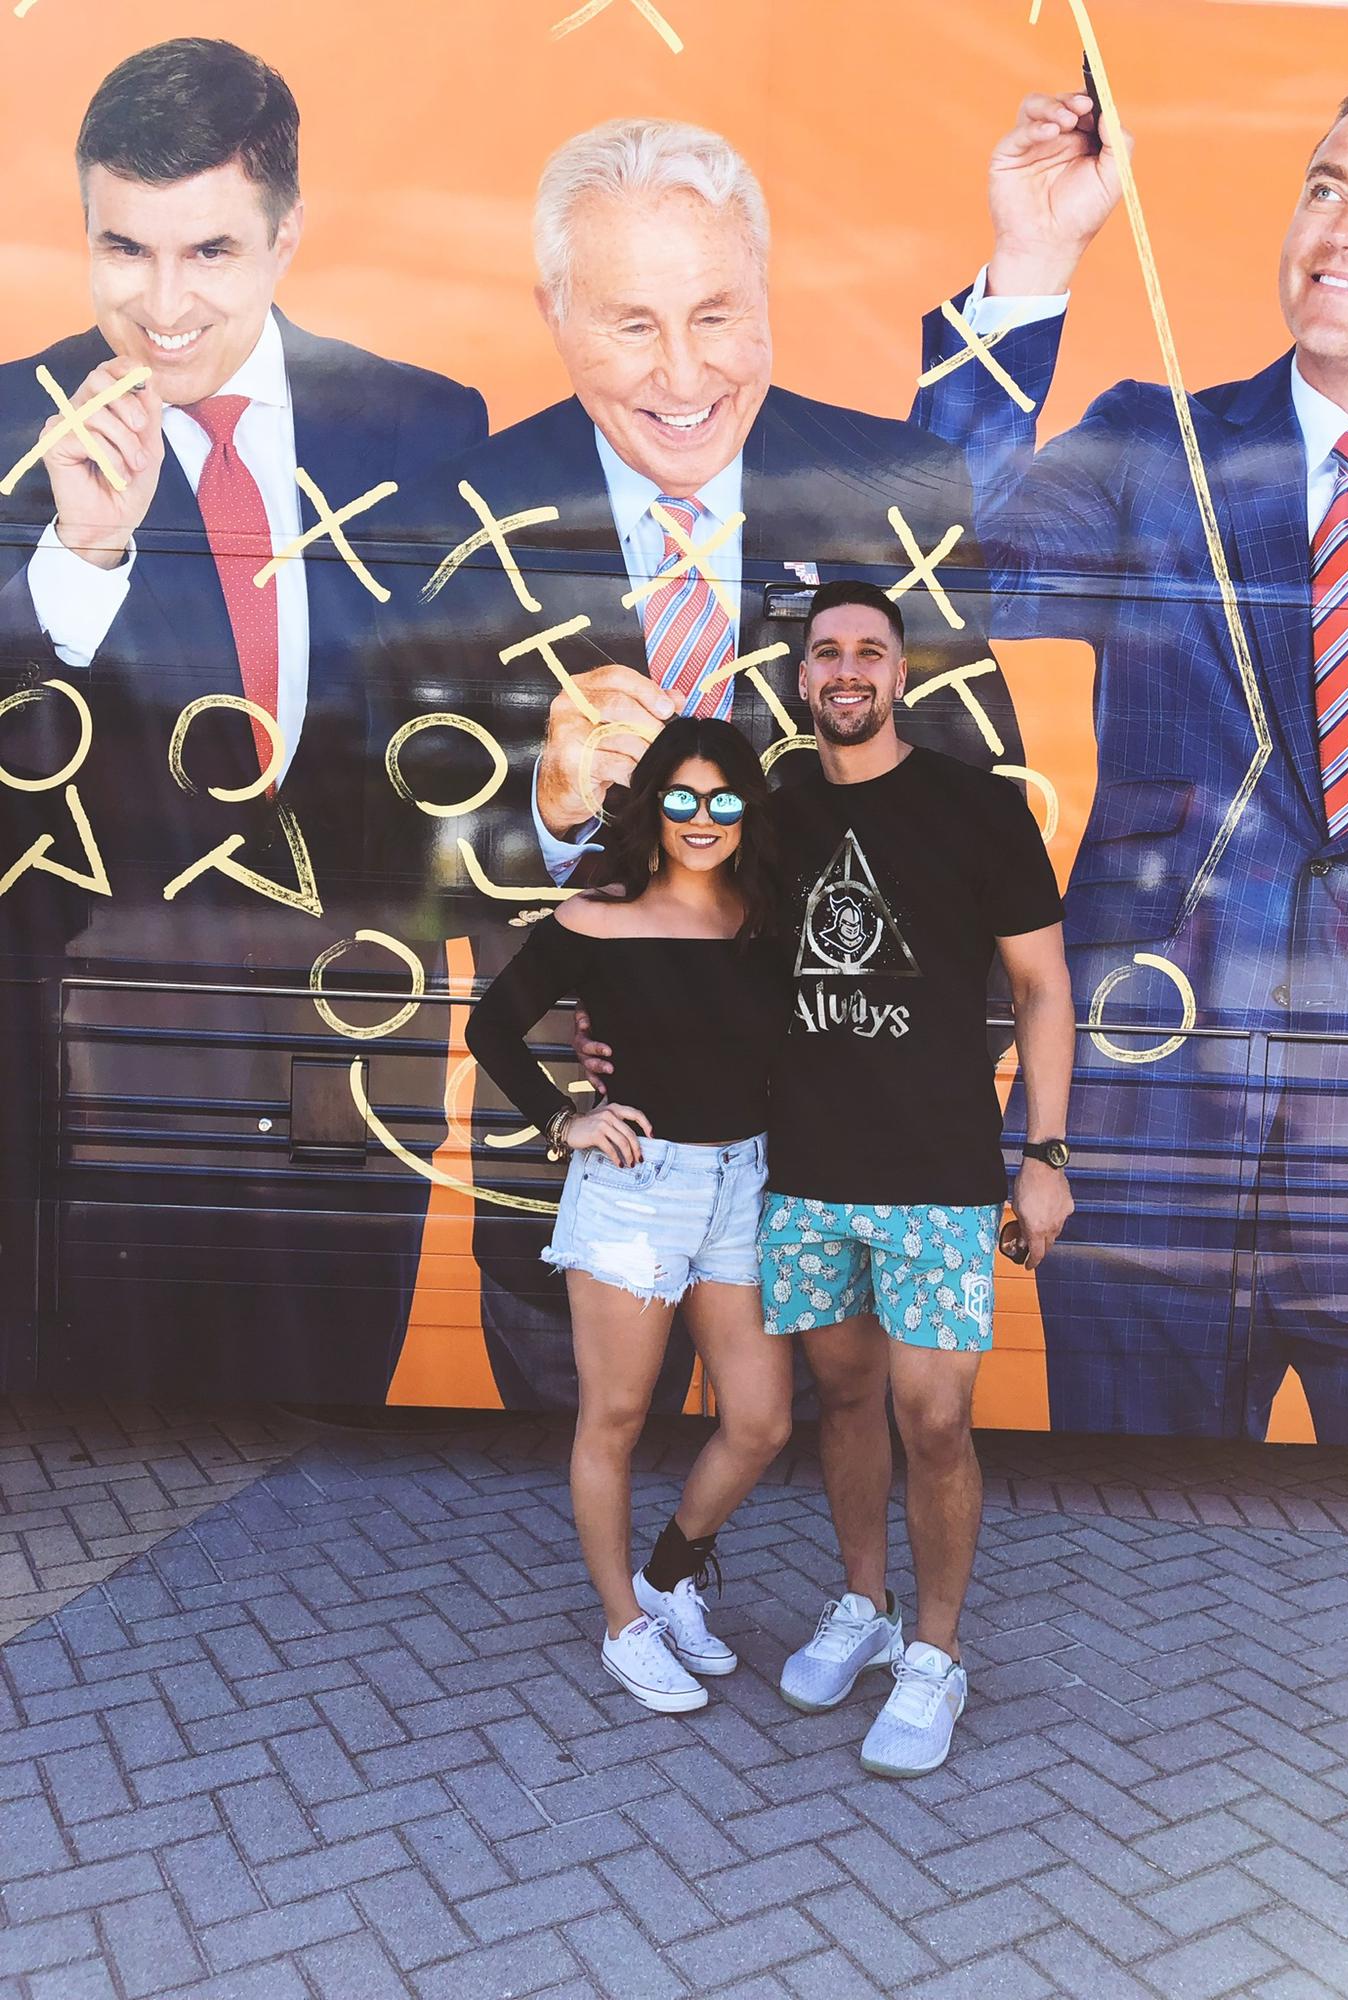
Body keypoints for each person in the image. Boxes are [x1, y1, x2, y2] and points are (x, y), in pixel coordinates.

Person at [377, 114, 1025, 1411]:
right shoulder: (449, 516)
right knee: (588, 1467)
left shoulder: (894, 485)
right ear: (555, 314)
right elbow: (387, 846)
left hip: (836, 1154)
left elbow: (979, 819)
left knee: (822, 1474)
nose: (685, 373)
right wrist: (545, 811)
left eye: (718, 314)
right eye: (634, 324)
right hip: (591, 1172)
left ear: (766, 295)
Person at [914, 77, 1348, 1446]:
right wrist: (1032, 259)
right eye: (1326, 187)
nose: (1345, 227)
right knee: (1127, 1561)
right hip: (1143, 1173)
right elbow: (934, 576)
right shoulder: (1151, 448)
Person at [0, 39, 488, 1403]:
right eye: (125, 249)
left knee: (335, 1444)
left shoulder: (423, 426)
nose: (162, 307)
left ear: (286, 235)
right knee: (111, 1433)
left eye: (208, 251)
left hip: (359, 1045)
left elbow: (458, 737)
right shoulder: (10, 421)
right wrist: (79, 562)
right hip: (110, 1050)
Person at [580, 580, 1076, 1776]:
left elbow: (1043, 987)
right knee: (845, 1403)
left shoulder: (979, 807)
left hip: (942, 1176)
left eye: (869, 651)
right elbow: (667, 918)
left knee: (935, 1417)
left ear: (901, 672)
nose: (847, 670)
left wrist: (1047, 1153)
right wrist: (600, 1038)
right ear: (801, 678)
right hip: (800, 1175)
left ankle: (937, 1653)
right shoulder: (775, 811)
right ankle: (866, 1605)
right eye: (827, 653)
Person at [464, 716, 793, 1713]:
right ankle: (624, 1623)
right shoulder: (596, 917)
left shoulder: (764, 917)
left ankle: (666, 1574)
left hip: (743, 1183)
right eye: (682, 797)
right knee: (613, 1417)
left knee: (761, 1420)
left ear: (747, 811)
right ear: (653, 805)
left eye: (724, 799)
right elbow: (491, 1025)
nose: (703, 818)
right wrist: (566, 1118)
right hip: (638, 1187)